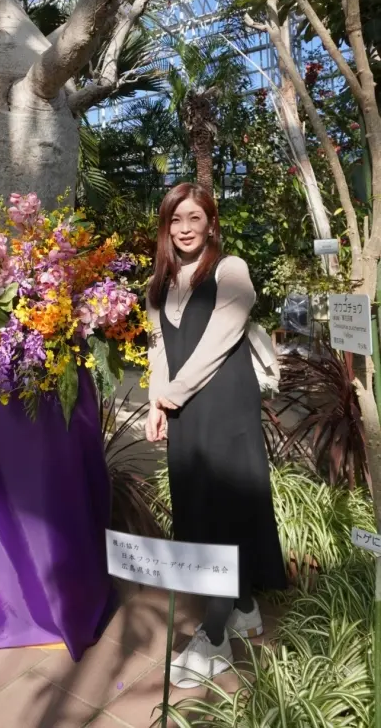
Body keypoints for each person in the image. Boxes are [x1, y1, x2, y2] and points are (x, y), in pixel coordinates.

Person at [145, 182, 286, 688]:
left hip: (226, 407)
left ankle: (214, 633)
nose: (185, 229)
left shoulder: (231, 270)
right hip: (184, 408)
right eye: (176, 220)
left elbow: (222, 338)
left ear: (210, 223)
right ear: (166, 226)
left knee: (226, 507)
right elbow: (157, 346)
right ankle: (244, 607)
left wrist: (174, 393)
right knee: (196, 505)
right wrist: (155, 402)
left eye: (194, 219)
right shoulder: (158, 280)